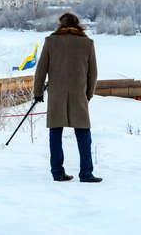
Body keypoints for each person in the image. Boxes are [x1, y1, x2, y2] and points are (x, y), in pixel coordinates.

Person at [34, 13, 102, 183]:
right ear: (77, 25)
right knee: (83, 133)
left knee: (55, 133)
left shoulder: (51, 41)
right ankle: (86, 173)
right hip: (79, 93)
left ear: (61, 25)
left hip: (56, 94)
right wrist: (88, 94)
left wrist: (38, 92)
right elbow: (93, 73)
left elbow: (41, 70)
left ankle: (57, 172)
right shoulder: (87, 43)